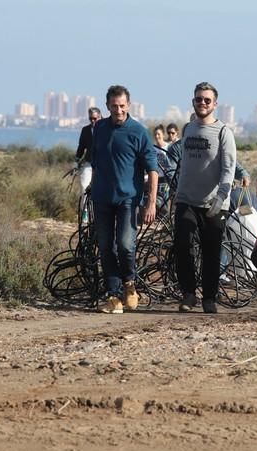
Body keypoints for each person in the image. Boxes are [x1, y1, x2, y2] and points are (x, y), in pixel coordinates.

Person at [90, 85, 158, 314]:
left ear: (128, 105)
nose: (118, 110)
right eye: (113, 106)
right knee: (105, 247)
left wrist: (150, 203)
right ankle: (113, 297)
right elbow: (96, 160)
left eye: (122, 106)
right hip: (101, 199)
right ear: (107, 105)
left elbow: (153, 170)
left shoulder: (138, 132)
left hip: (128, 199)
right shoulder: (99, 128)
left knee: (125, 245)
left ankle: (129, 283)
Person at [174, 82, 236, 313]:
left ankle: (209, 297)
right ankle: (189, 294)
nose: (202, 103)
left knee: (211, 251)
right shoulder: (188, 128)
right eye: (199, 99)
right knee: (183, 245)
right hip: (186, 199)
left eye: (207, 100)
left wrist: (221, 197)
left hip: (214, 203)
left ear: (215, 104)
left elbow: (229, 168)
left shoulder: (223, 132)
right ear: (193, 101)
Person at [75, 107, 102, 200]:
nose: (93, 121)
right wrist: (77, 160)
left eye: (95, 118)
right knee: (84, 187)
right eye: (90, 118)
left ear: (100, 117)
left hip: (103, 165)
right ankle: (84, 212)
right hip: (88, 163)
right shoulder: (85, 130)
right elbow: (81, 146)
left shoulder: (107, 129)